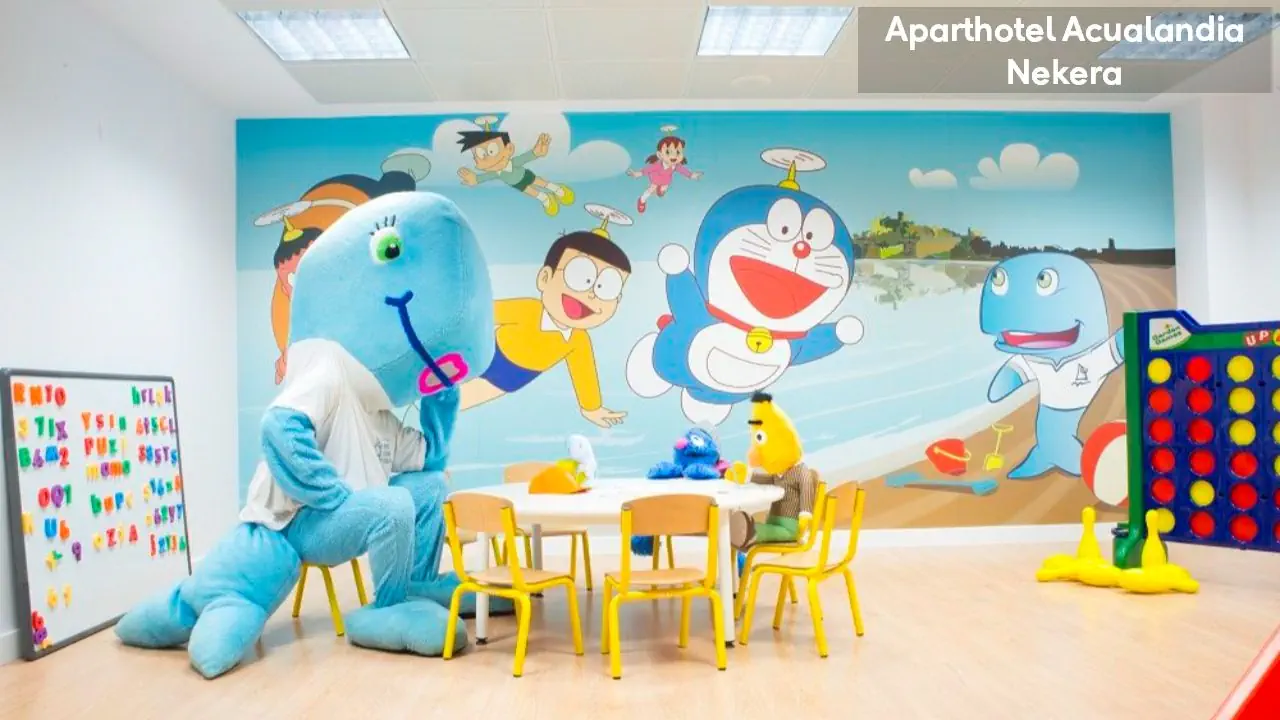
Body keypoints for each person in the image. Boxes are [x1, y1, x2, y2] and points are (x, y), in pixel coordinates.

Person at [460, 230, 630, 428]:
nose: (591, 294)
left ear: (617, 301)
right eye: (580, 277)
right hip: (487, 351)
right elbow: (484, 314)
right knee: (438, 377)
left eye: (606, 288)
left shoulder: (578, 340)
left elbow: (584, 374)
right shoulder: (528, 309)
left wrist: (591, 408)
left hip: (511, 377)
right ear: (545, 278)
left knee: (457, 402)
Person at [456, 129, 573, 216]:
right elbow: (484, 177)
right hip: (516, 184)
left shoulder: (514, 162)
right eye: (480, 155)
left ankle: (556, 189)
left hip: (525, 175)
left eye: (491, 151)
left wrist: (537, 152)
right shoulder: (496, 173)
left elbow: (527, 157)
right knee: (531, 192)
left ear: (509, 149)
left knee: (540, 182)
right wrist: (475, 179)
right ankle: (545, 198)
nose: (487, 159)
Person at [627, 134, 702, 214]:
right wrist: (638, 174)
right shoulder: (657, 165)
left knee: (664, 188)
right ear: (659, 155)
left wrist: (691, 175)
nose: (673, 156)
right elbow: (647, 170)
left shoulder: (675, 166)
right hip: (655, 180)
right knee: (650, 191)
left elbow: (683, 171)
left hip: (666, 181)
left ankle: (660, 190)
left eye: (677, 152)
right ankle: (642, 200)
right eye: (668, 152)